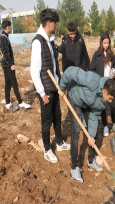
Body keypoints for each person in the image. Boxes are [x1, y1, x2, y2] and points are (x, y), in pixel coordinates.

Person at [58, 66, 115, 182]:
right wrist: (62, 88)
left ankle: (91, 161)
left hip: (87, 103)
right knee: (75, 132)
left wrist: (90, 136)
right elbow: (70, 71)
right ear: (104, 91)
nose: (111, 101)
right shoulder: (91, 80)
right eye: (110, 98)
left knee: (94, 133)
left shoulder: (105, 102)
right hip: (74, 98)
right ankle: (74, 168)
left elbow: (94, 116)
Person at [30, 9, 70, 164]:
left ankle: (59, 142)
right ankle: (47, 149)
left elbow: (53, 66)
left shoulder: (50, 40)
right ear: (48, 23)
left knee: (57, 116)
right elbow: (34, 70)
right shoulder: (38, 42)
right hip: (45, 89)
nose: (56, 25)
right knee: (47, 120)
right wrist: (41, 93)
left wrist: (59, 83)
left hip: (54, 85)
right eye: (55, 23)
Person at [90, 32, 115, 137]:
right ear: (101, 42)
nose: (106, 45)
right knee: (102, 107)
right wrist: (97, 79)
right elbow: (92, 69)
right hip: (102, 84)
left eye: (108, 43)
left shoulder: (112, 55)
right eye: (104, 42)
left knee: (113, 106)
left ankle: (114, 123)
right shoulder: (97, 55)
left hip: (111, 84)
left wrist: (114, 73)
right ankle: (105, 126)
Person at [0, 20, 30, 110]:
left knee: (8, 83)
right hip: (7, 65)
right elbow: (6, 53)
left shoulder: (3, 37)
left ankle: (8, 102)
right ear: (8, 27)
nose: (11, 28)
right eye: (10, 27)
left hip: (5, 64)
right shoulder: (4, 38)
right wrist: (11, 64)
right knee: (14, 83)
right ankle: (20, 102)